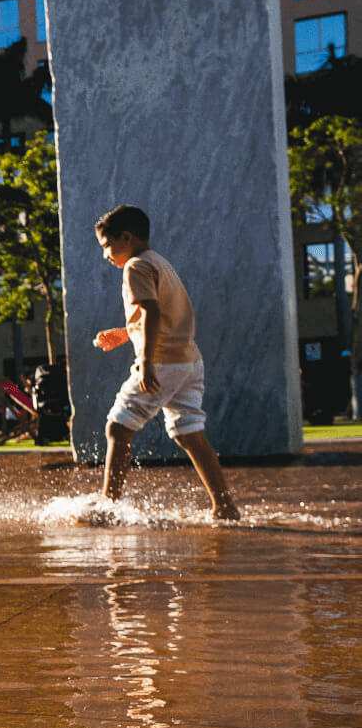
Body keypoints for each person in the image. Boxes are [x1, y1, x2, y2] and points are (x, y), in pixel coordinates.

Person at [91, 205, 238, 519]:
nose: (105, 254)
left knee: (118, 427)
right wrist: (124, 333)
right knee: (190, 434)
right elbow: (162, 316)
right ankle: (225, 507)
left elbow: (153, 313)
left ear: (126, 238)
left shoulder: (134, 266)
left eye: (107, 246)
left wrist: (145, 361)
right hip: (189, 362)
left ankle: (108, 507)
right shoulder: (159, 262)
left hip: (163, 362)